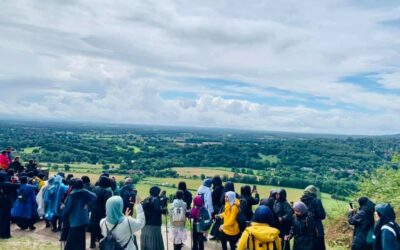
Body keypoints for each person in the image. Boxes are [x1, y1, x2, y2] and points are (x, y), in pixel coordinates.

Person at [62, 179, 97, 250]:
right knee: (81, 237)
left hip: (75, 219)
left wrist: (63, 214)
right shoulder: (85, 192)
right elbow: (94, 196)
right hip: (84, 218)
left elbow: (68, 208)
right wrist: (88, 204)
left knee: (71, 239)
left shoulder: (72, 194)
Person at [88, 176, 113, 249]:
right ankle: (101, 243)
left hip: (94, 210)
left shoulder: (94, 188)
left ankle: (92, 243)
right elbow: (107, 203)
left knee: (94, 227)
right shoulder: (107, 191)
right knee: (102, 227)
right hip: (102, 211)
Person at [300, 185, 326, 250]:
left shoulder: (301, 201)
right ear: (313, 192)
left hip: (303, 226)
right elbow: (322, 215)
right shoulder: (317, 201)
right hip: (316, 227)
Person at [141, 186, 167, 250]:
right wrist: (164, 207)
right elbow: (159, 210)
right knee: (154, 242)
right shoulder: (156, 200)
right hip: (154, 225)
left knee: (146, 241)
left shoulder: (146, 199)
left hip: (145, 224)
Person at [0, 171, 19, 238]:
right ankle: (5, 234)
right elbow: (18, 185)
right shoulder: (7, 184)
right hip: (5, 203)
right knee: (6, 219)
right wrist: (16, 179)